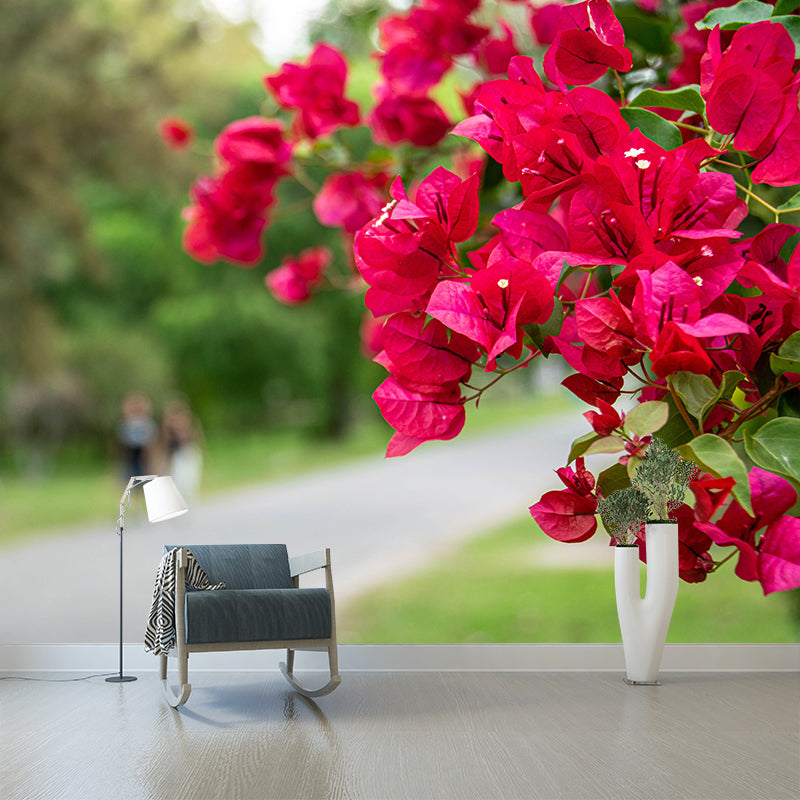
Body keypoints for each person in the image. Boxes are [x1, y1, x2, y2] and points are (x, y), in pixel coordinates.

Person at [159, 398, 204, 505]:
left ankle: (189, 501)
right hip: (176, 457)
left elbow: (196, 440)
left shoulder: (190, 425)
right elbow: (165, 446)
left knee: (190, 480)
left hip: (189, 453)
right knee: (178, 481)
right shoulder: (167, 429)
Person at [116, 392, 158, 481]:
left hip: (145, 456)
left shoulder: (148, 424)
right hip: (130, 457)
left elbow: (152, 441)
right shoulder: (126, 425)